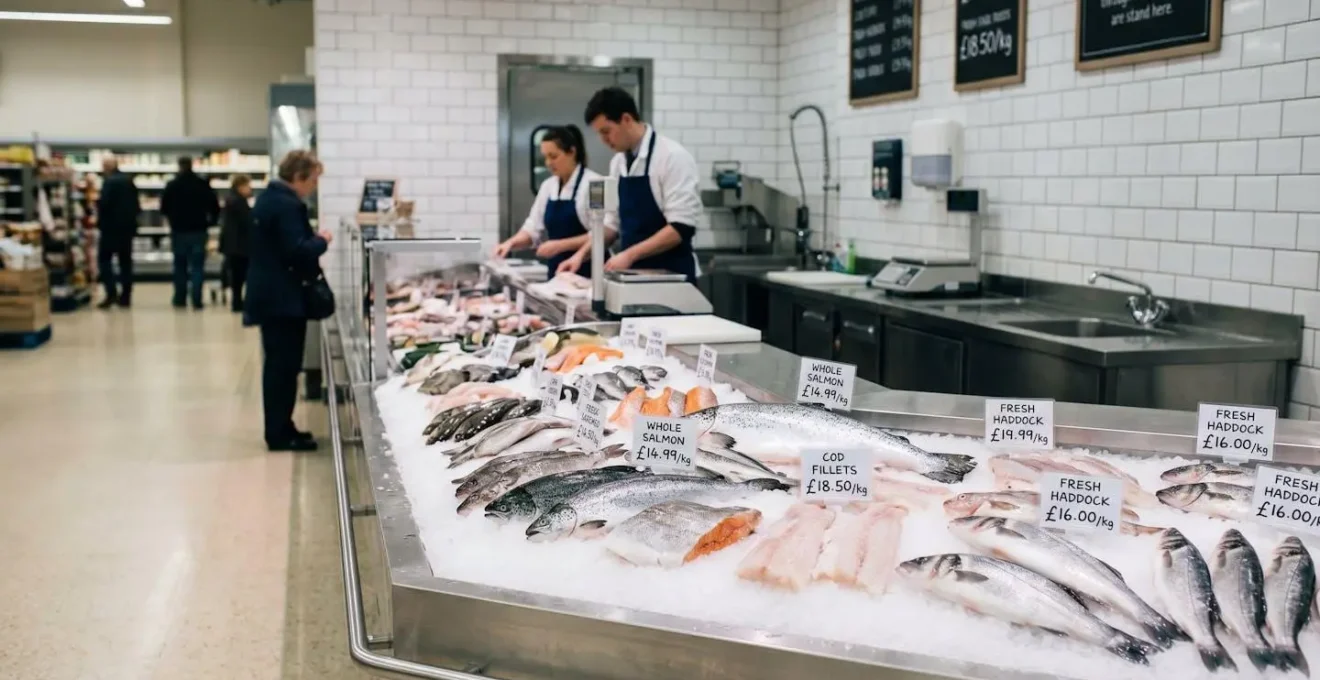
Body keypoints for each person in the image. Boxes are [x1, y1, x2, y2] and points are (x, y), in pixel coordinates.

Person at [559, 87, 703, 282]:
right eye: (600, 134)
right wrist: (579, 256)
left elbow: (680, 228)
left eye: (606, 131)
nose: (604, 140)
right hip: (633, 278)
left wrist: (629, 255)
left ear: (626, 119)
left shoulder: (672, 157)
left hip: (673, 279)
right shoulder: (618, 163)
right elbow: (611, 224)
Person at [245, 150, 333, 452]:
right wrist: (322, 240)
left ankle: (283, 426)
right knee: (282, 369)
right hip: (281, 300)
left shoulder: (270, 198)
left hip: (272, 298)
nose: (313, 187)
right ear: (298, 177)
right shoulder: (285, 204)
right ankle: (280, 434)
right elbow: (296, 251)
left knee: (280, 367)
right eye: (312, 181)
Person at [491, 125, 601, 278]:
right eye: (545, 157)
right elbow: (532, 228)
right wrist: (510, 244)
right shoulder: (548, 186)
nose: (548, 163)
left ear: (572, 152)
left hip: (590, 274)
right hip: (558, 273)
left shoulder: (596, 185)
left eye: (554, 156)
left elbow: (601, 233)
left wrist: (560, 245)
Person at [160, 156, 219, 309]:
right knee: (198, 266)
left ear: (179, 166)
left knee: (180, 266)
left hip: (179, 230)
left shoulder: (172, 185)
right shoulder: (202, 184)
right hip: (199, 230)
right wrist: (210, 222)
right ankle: (197, 299)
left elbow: (164, 208)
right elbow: (215, 206)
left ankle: (180, 298)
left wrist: (172, 220)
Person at [95, 158, 140, 309]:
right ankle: (126, 296)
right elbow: (136, 205)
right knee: (125, 263)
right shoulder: (129, 181)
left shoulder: (109, 182)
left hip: (110, 229)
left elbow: (104, 205)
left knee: (104, 260)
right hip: (127, 229)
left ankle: (111, 293)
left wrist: (99, 222)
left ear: (108, 167)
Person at [219, 174, 254, 313]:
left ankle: (237, 301)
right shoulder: (239, 202)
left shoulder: (231, 200)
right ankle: (238, 302)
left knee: (236, 276)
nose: (250, 188)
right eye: (247, 185)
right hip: (239, 245)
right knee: (240, 275)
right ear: (240, 186)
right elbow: (247, 221)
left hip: (232, 245)